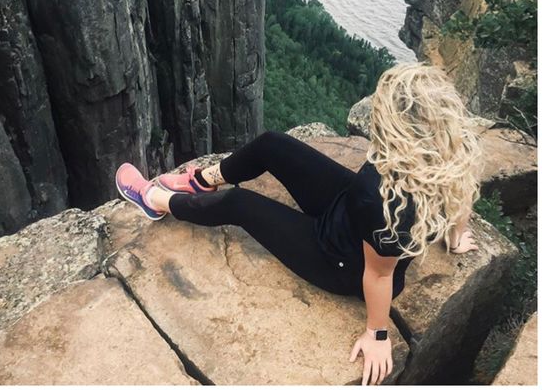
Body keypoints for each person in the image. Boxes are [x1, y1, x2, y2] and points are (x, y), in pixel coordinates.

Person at [115, 63, 482, 386]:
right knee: (273, 144)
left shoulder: (383, 201)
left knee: (240, 204)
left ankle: (155, 200)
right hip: (348, 210)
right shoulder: (450, 152)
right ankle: (203, 178)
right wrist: (455, 233)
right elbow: (461, 195)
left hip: (339, 261)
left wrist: (378, 333)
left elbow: (379, 275)